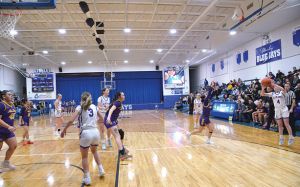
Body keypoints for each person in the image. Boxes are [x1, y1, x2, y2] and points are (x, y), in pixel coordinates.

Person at [61, 92, 105, 185]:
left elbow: (70, 120)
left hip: (85, 133)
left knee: (84, 157)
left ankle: (87, 178)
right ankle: (101, 170)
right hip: (95, 132)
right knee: (95, 151)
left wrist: (64, 129)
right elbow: (103, 118)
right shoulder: (94, 106)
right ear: (90, 99)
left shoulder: (79, 108)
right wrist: (97, 122)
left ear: (81, 99)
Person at [104, 92, 132, 160]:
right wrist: (108, 118)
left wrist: (115, 119)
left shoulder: (117, 102)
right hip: (110, 121)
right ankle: (122, 154)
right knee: (117, 136)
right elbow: (111, 110)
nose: (124, 96)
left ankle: (122, 149)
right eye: (123, 95)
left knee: (120, 134)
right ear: (119, 96)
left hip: (112, 121)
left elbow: (108, 108)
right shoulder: (118, 103)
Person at [0, 90, 17, 172]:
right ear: (4, 96)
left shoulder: (12, 105)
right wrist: (8, 126)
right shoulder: (1, 105)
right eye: (9, 94)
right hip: (1, 130)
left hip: (8, 130)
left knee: (13, 145)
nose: (11, 96)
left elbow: (10, 117)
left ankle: (6, 163)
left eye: (12, 94)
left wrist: (12, 126)